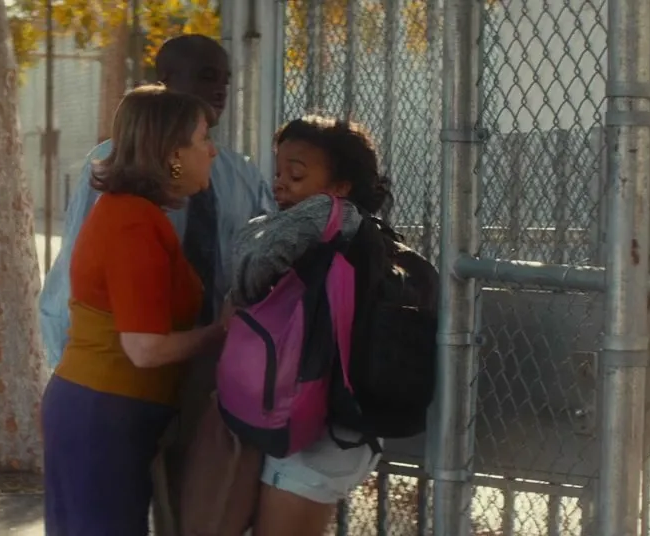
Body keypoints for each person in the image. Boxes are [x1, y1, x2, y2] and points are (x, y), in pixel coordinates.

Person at [37, 33, 275, 530]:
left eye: (225, 79)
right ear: (172, 153)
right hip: (111, 399)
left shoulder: (222, 183)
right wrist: (220, 331)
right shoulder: (129, 217)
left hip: (168, 394)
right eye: (201, 140)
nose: (212, 150)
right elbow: (136, 342)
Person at [224, 116, 395, 535]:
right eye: (278, 173)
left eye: (296, 175)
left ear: (341, 186)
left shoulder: (327, 215)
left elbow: (250, 268)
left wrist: (245, 280)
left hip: (320, 433)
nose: (280, 184)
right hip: (322, 423)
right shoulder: (352, 234)